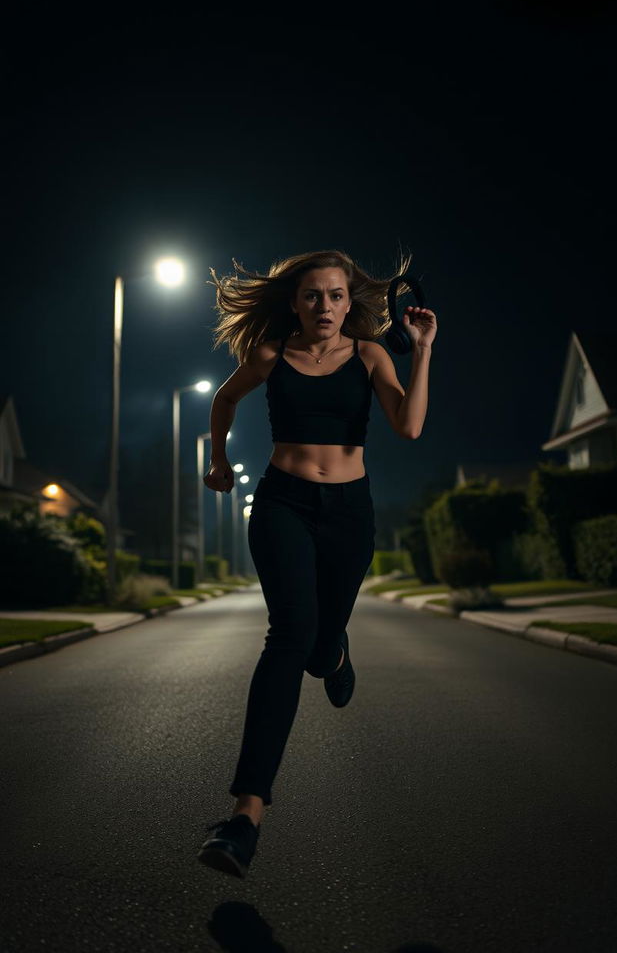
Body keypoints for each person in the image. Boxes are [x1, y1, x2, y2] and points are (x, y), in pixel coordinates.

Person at [196, 248, 437, 878]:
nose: (324, 307)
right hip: (282, 504)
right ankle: (244, 818)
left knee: (319, 642)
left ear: (349, 302)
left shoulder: (370, 356)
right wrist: (220, 462)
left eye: (335, 296)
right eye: (312, 296)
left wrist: (425, 348)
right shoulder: (271, 356)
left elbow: (408, 428)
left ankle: (334, 652)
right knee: (287, 638)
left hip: (349, 512)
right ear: (295, 303)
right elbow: (224, 402)